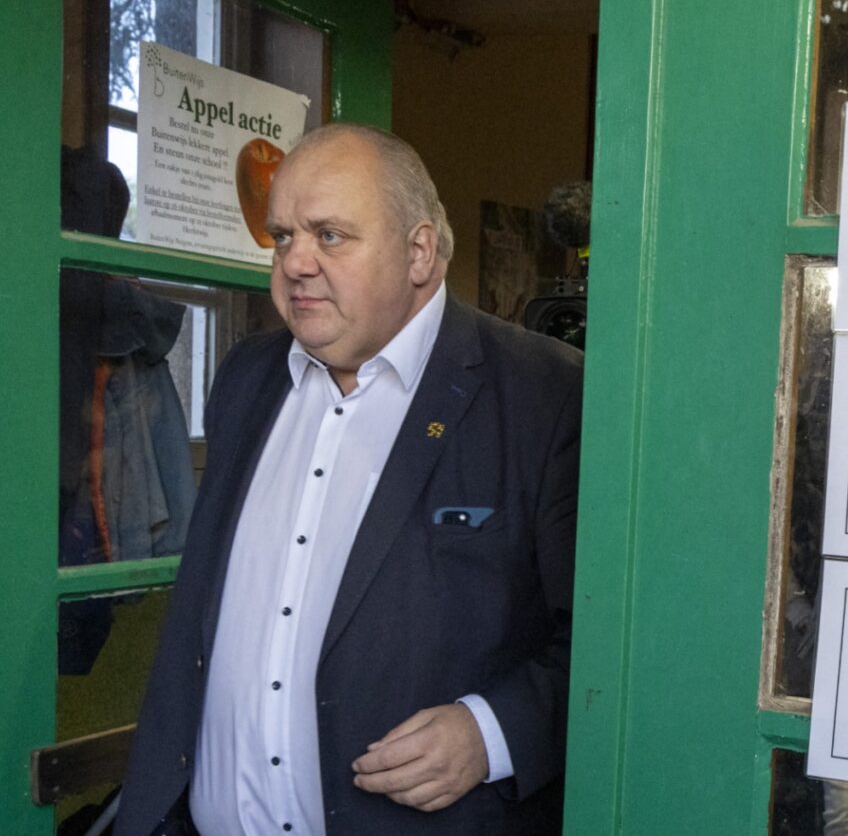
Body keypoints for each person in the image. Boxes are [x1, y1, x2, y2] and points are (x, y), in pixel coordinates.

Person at [117, 123, 582, 835]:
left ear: (418, 251)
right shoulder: (247, 376)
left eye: (329, 235)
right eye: (282, 237)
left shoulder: (545, 395)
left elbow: (610, 641)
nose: (295, 263)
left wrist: (491, 732)